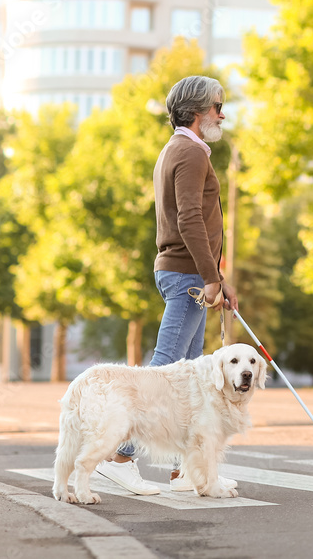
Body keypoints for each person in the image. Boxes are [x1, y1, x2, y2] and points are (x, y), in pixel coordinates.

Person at [95, 75, 239, 495]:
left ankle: (186, 471)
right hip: (187, 275)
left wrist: (218, 277)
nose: (222, 113)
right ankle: (118, 457)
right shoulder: (189, 153)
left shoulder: (181, 149)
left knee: (190, 377)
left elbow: (195, 222)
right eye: (216, 106)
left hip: (188, 272)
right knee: (163, 373)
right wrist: (209, 278)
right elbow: (189, 219)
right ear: (197, 111)